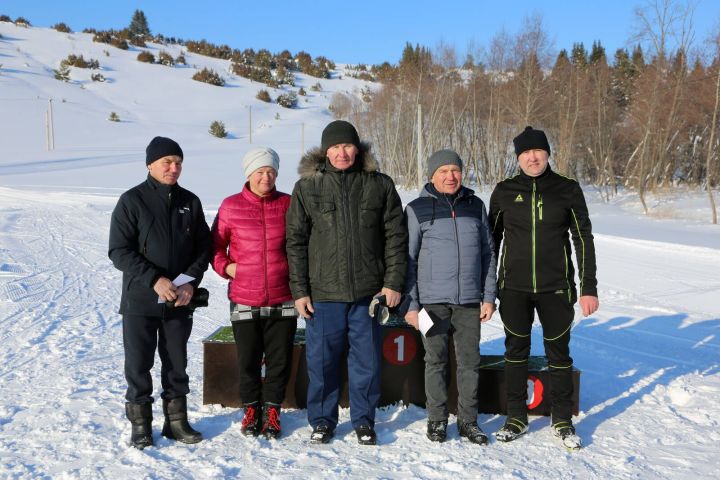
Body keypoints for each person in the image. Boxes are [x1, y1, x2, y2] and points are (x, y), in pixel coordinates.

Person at [285, 120, 408, 445]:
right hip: (323, 296)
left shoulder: (379, 184)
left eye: (347, 146)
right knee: (322, 363)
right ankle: (322, 421)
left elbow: (396, 236)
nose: (342, 152)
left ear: (358, 148)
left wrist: (393, 282)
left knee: (366, 362)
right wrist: (299, 291)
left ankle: (364, 421)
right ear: (326, 151)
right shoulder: (307, 187)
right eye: (335, 147)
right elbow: (295, 242)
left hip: (368, 295)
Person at [489, 126, 599, 451]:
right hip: (514, 289)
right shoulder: (504, 191)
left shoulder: (567, 189)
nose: (532, 158)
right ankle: (516, 417)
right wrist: (487, 291)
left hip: (556, 288)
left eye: (537, 152)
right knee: (515, 352)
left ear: (547, 153)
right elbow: (490, 242)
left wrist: (588, 287)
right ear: (518, 158)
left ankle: (562, 419)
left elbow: (583, 239)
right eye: (525, 153)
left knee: (559, 353)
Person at [109, 136, 211, 449]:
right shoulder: (132, 200)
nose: (173, 167)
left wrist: (190, 281)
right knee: (138, 365)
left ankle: (176, 422)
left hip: (179, 301)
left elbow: (204, 248)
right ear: (150, 164)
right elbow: (119, 250)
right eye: (167, 162)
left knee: (176, 363)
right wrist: (155, 279)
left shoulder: (189, 202)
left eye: (178, 162)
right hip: (140, 301)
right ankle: (141, 425)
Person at [404, 149, 497, 445]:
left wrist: (488, 296)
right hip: (432, 303)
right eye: (443, 171)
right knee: (436, 361)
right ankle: (437, 419)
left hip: (469, 302)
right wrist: (412, 304)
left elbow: (488, 253)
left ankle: (468, 421)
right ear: (432, 175)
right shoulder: (417, 208)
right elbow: (408, 259)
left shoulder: (475, 206)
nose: (450, 176)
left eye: (455, 170)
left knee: (469, 361)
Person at [210, 147, 297, 439]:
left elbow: (301, 244)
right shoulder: (230, 206)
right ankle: (251, 409)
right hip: (244, 297)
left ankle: (272, 410)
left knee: (278, 359)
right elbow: (215, 247)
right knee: (248, 359)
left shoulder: (288, 204)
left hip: (282, 295)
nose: (266, 176)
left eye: (271, 171)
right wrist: (227, 268)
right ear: (249, 174)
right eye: (260, 171)